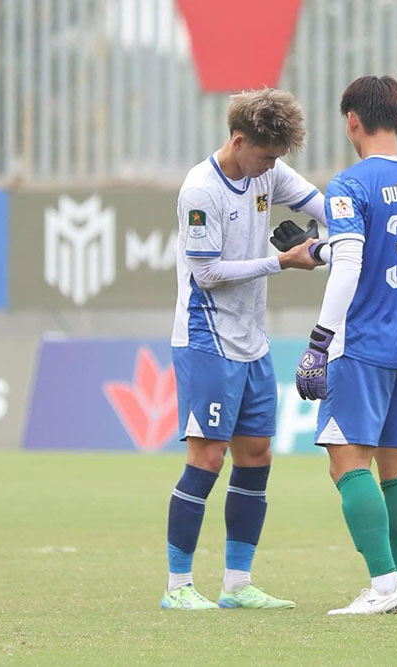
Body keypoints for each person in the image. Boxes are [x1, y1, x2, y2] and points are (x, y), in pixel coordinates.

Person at [163, 88, 327, 611]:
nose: (272, 166)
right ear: (239, 140)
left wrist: (336, 237)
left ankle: (237, 584)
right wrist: (283, 262)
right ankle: (178, 586)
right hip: (207, 337)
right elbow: (206, 274)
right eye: (265, 154)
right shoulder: (200, 191)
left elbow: (321, 204)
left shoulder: (268, 173)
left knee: (257, 455)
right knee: (208, 457)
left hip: (253, 340)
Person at [296, 75, 397, 615]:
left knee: (345, 462)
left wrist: (318, 342)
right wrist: (324, 249)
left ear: (352, 120)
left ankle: (382, 589)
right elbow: (374, 252)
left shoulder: (349, 185)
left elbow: (355, 263)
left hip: (362, 346)